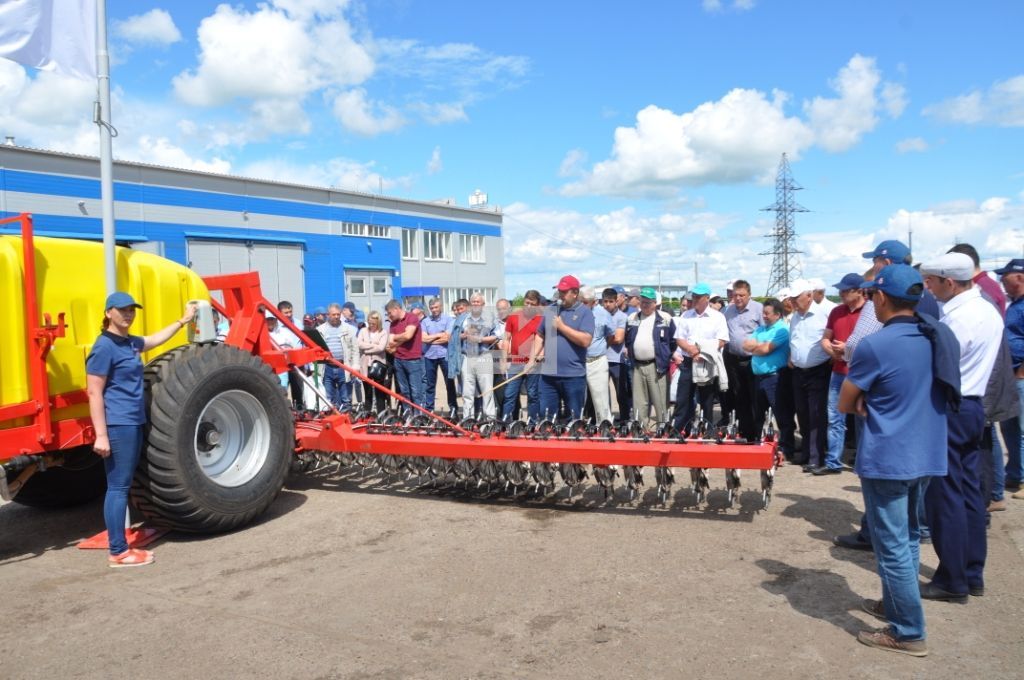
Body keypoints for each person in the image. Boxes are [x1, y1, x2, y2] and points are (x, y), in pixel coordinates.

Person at [839, 264, 951, 657]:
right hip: (927, 452)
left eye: (871, 295)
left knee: (892, 546)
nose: (870, 300)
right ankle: (897, 605)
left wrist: (868, 402)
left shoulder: (877, 345)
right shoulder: (936, 335)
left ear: (882, 298)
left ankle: (907, 632)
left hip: (888, 456)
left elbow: (845, 401)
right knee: (907, 539)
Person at [86, 292, 196, 568]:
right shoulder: (104, 347)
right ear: (109, 312)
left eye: (132, 310)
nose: (128, 314)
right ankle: (119, 552)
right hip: (118, 424)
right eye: (122, 310)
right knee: (118, 487)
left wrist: (182, 321)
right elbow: (94, 392)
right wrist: (101, 434)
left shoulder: (129, 342)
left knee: (124, 483)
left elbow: (153, 340)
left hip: (133, 421)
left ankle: (121, 545)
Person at [919, 252, 1001, 602]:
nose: (929, 288)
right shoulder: (986, 309)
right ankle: (971, 571)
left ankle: (952, 578)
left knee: (946, 495)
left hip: (952, 406)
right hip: (972, 404)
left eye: (932, 282)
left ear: (948, 282)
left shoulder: (955, 318)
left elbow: (937, 367)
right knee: (968, 492)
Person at [817, 273, 865, 474]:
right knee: (835, 417)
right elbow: (825, 338)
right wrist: (832, 352)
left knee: (862, 419)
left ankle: (863, 461)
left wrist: (848, 350)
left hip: (862, 373)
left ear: (859, 291)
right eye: (841, 290)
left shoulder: (871, 313)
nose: (841, 293)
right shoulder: (836, 311)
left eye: (846, 290)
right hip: (838, 372)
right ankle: (833, 461)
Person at [532, 275, 595, 420]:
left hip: (573, 376)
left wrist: (562, 327)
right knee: (547, 418)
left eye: (564, 292)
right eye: (559, 291)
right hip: (548, 377)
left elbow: (586, 341)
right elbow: (540, 335)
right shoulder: (550, 310)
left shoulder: (585, 312)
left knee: (573, 419)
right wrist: (534, 356)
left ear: (575, 293)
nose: (561, 295)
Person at [787, 279, 832, 472]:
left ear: (809, 296)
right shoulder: (795, 317)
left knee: (816, 415)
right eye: (792, 298)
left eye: (797, 298)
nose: (793, 302)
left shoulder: (824, 314)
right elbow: (795, 340)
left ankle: (816, 457)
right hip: (798, 371)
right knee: (803, 414)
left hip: (818, 370)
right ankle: (806, 453)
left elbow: (830, 340)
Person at [673, 282, 729, 433]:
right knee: (683, 398)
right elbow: (679, 338)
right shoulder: (686, 315)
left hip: (707, 362)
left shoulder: (717, 317)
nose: (695, 299)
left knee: (707, 399)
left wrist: (701, 350)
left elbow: (722, 340)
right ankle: (680, 429)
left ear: (707, 298)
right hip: (688, 361)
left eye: (698, 297)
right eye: (694, 296)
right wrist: (691, 350)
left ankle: (708, 430)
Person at [624, 286, 676, 428]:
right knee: (639, 403)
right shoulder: (632, 318)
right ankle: (641, 430)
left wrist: (665, 357)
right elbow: (628, 339)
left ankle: (663, 429)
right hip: (637, 366)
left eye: (648, 302)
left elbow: (673, 341)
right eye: (643, 301)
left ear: (655, 303)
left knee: (660, 402)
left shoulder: (665, 319)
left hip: (657, 366)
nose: (645, 305)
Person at [744, 298, 791, 445]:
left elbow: (766, 349)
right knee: (757, 414)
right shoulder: (760, 329)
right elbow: (745, 345)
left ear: (777, 314)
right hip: (758, 378)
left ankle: (786, 446)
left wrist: (756, 347)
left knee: (781, 414)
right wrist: (759, 346)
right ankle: (758, 442)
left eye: (767, 313)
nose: (763, 316)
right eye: (763, 312)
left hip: (775, 378)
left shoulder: (782, 330)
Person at [723, 280, 763, 439]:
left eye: (742, 295)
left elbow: (766, 331)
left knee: (755, 398)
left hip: (753, 360)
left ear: (749, 295)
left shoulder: (758, 309)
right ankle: (745, 432)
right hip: (733, 360)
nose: (738, 298)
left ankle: (757, 434)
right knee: (740, 397)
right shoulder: (728, 311)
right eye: (735, 295)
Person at [502, 290, 543, 421]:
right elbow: (506, 339)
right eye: (527, 303)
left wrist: (540, 355)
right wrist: (503, 360)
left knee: (532, 394)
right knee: (510, 394)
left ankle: (532, 423)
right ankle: (506, 422)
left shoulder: (541, 319)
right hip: (516, 361)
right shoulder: (513, 317)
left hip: (534, 364)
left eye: (532, 304)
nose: (529, 306)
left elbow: (544, 340)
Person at [580, 286, 616, 424]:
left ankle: (604, 426)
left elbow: (611, 336)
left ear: (594, 301)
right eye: (580, 301)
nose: (582, 305)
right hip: (578, 362)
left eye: (585, 302)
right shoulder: (575, 313)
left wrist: (601, 349)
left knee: (601, 400)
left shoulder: (603, 314)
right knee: (578, 399)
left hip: (597, 361)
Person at [460, 292, 498, 419]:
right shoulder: (463, 318)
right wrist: (463, 335)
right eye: (473, 301)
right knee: (467, 391)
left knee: (487, 390)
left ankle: (490, 419)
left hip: (483, 356)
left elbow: (496, 336)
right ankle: (468, 419)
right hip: (467, 357)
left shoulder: (490, 318)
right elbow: (454, 335)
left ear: (483, 304)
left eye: (478, 301)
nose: (475, 303)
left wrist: (480, 339)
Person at [385, 299, 426, 413]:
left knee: (416, 391)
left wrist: (395, 338)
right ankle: (407, 413)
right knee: (404, 391)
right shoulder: (393, 323)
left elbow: (408, 335)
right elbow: (391, 342)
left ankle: (418, 415)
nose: (389, 316)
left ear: (396, 309)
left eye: (389, 313)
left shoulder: (411, 318)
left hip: (413, 360)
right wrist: (398, 339)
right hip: (398, 359)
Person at [317, 303, 358, 412]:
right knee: (328, 397)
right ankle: (331, 418)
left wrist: (355, 367)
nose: (336, 316)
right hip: (327, 368)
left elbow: (354, 349)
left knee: (345, 398)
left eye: (338, 314)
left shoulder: (349, 329)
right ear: (328, 315)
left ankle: (347, 419)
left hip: (343, 366)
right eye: (333, 314)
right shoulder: (320, 330)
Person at [421, 297, 456, 414]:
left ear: (440, 307)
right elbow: (423, 338)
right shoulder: (425, 321)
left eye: (436, 307)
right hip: (429, 356)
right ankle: (429, 410)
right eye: (431, 308)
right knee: (430, 384)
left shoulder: (448, 320)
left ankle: (453, 408)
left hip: (445, 355)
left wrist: (430, 339)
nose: (434, 310)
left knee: (449, 383)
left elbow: (447, 338)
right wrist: (438, 335)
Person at [601, 287, 630, 424]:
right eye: (605, 301)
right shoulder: (597, 315)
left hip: (617, 360)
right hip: (601, 359)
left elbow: (619, 339)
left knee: (621, 393)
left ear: (616, 302)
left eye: (610, 301)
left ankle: (624, 419)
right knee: (602, 392)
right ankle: (605, 419)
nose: (607, 304)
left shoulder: (622, 317)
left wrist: (600, 339)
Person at [357, 310, 390, 412]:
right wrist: (373, 346)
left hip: (378, 365)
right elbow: (359, 344)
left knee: (379, 392)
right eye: (370, 323)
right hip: (365, 365)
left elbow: (381, 348)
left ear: (378, 323)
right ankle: (367, 412)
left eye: (373, 324)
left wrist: (366, 349)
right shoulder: (363, 331)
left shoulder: (383, 332)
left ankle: (381, 414)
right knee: (367, 392)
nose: (371, 325)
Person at [492, 298, 512, 418]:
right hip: (499, 361)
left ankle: (513, 418)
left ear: (509, 309)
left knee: (512, 392)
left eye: (504, 308)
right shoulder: (494, 325)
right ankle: (501, 419)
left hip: (514, 360)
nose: (501, 311)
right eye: (499, 309)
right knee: (500, 392)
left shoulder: (516, 322)